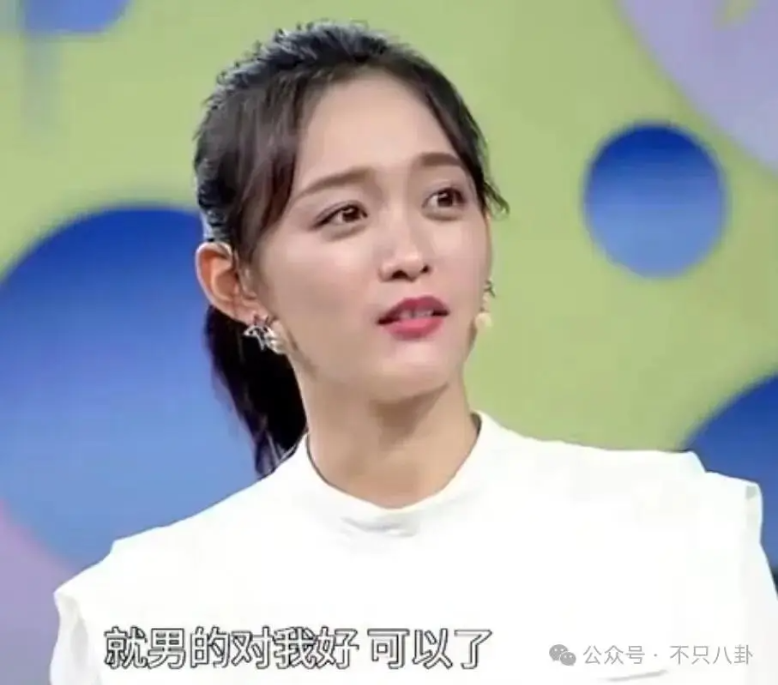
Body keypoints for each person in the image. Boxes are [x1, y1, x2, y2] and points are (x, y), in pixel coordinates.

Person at [50, 20, 777, 684]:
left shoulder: (677, 533)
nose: (409, 253)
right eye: (346, 214)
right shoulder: (141, 615)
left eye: (443, 199)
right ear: (236, 284)